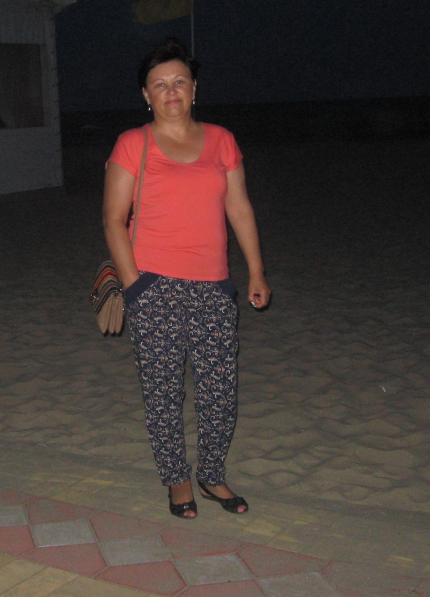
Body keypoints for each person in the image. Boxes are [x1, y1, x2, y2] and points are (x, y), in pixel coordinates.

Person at [103, 37, 270, 519]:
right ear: (146, 95)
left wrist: (256, 270)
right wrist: (135, 285)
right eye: (159, 84)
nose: (171, 91)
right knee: (163, 392)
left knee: (220, 391)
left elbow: (239, 208)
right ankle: (177, 479)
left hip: (214, 285)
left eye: (179, 81)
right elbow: (113, 219)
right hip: (154, 283)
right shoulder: (133, 144)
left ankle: (211, 473)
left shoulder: (221, 140)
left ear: (195, 88)